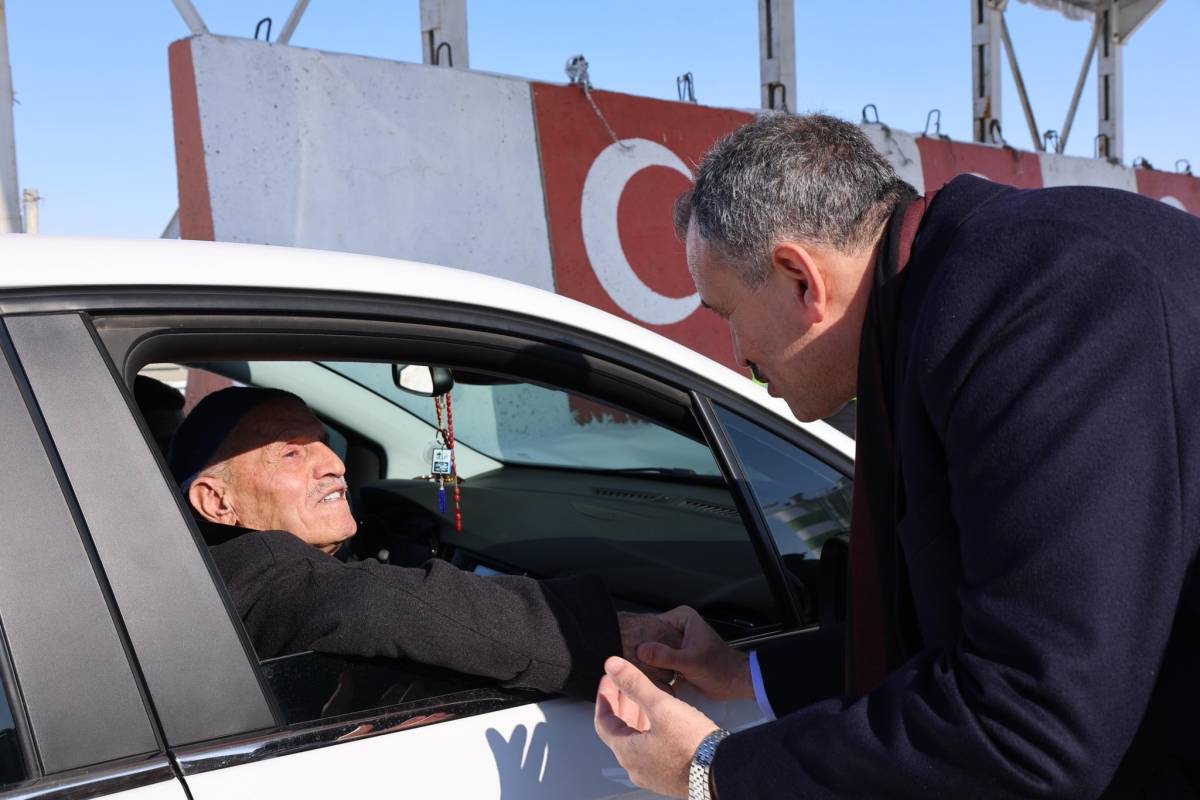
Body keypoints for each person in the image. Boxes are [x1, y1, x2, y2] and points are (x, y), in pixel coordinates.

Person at [593, 112, 1200, 798]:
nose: (741, 356)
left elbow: (1029, 722)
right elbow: (982, 610)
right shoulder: (962, 294)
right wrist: (746, 674)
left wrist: (707, 772)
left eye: (727, 313)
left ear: (801, 280)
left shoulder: (1037, 311)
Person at [168, 385, 676, 699]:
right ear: (217, 503)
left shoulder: (194, 579)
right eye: (290, 455)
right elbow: (365, 601)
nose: (333, 464)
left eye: (324, 442)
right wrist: (603, 635)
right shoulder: (258, 570)